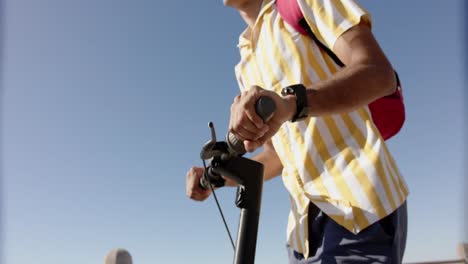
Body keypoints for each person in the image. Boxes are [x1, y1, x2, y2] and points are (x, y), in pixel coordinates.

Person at [186, 0, 409, 263]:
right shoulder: (245, 64)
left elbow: (379, 74)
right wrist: (218, 178)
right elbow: (275, 157)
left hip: (358, 207)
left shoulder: (304, 3)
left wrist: (293, 104)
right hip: (302, 237)